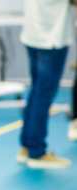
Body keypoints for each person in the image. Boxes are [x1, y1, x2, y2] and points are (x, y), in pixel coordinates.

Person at [17, 0, 74, 169]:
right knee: (43, 95)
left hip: (34, 35)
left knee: (36, 93)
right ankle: (37, 152)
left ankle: (28, 147)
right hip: (51, 39)